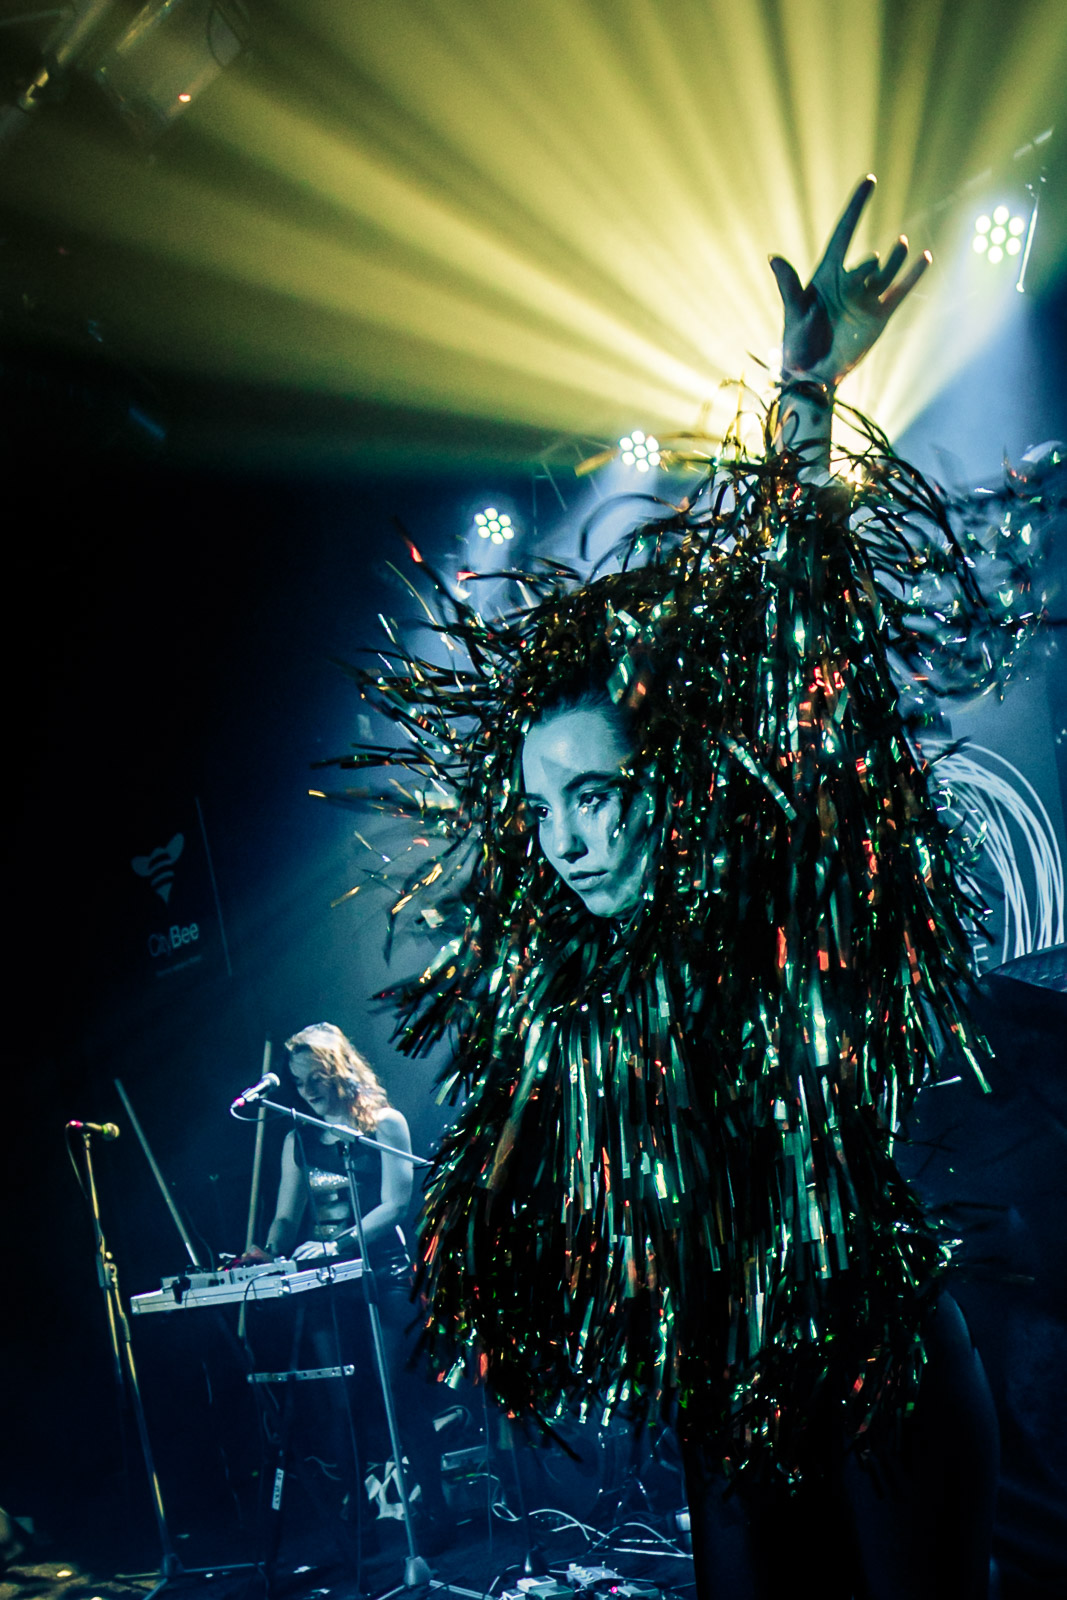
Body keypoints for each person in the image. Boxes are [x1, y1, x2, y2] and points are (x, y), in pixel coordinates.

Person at [322, 179, 1055, 1597]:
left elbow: (802, 633)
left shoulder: (771, 897)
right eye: (542, 810)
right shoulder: (570, 994)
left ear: (670, 781)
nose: (568, 840)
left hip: (884, 1378)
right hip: (730, 1416)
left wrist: (805, 402)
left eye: (594, 794)